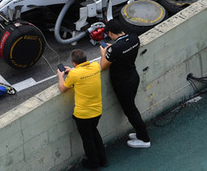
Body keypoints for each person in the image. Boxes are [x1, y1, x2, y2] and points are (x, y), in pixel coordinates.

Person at [99, 19, 151, 149]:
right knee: (131, 107)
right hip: (133, 77)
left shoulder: (115, 49)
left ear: (110, 33)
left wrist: (104, 54)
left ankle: (144, 138)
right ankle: (140, 133)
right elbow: (127, 48)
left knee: (130, 110)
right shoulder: (134, 38)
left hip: (122, 83)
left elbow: (103, 65)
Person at [58, 49, 107, 169]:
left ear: (74, 63)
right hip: (97, 111)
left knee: (87, 140)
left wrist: (60, 76)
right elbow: (83, 73)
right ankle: (103, 160)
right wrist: (74, 70)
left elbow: (63, 88)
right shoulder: (95, 66)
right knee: (95, 133)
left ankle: (93, 164)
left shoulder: (75, 74)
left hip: (83, 115)